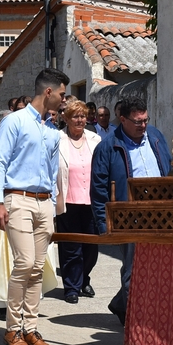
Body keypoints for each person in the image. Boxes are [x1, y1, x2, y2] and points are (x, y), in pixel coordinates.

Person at [0, 67, 68, 345]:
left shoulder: (52, 130)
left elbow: (51, 171)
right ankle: (12, 329)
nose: (63, 100)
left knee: (37, 268)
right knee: (24, 263)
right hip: (17, 198)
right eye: (61, 94)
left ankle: (31, 328)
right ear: (48, 92)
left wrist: (53, 206)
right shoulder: (15, 121)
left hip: (43, 201)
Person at [90, 96, 171, 325]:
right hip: (130, 217)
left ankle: (120, 304)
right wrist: (104, 224)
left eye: (145, 120)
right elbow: (98, 188)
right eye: (137, 122)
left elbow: (168, 166)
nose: (143, 125)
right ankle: (135, 324)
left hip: (162, 214)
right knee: (134, 270)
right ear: (122, 119)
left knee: (158, 267)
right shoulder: (107, 146)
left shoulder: (155, 136)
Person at [57, 99, 102, 304]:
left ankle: (84, 278)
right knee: (71, 247)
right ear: (66, 119)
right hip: (68, 200)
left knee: (91, 248)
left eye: (83, 116)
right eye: (75, 116)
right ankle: (72, 287)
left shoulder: (95, 139)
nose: (80, 120)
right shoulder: (57, 140)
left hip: (91, 201)